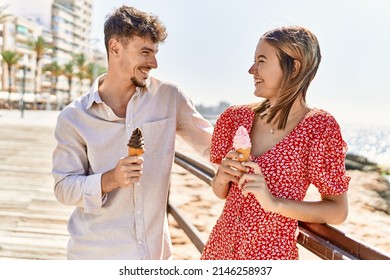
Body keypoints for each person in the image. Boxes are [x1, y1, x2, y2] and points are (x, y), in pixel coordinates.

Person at [52, 6, 212, 260]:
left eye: (155, 53)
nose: (154, 63)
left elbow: (213, 145)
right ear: (115, 47)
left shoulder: (170, 98)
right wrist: (110, 179)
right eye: (145, 52)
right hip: (95, 257)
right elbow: (64, 188)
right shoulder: (74, 117)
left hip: (153, 256)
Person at [201, 26, 350, 260]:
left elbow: (338, 210)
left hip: (270, 257)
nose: (251, 70)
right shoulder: (235, 118)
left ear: (294, 67)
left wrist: (274, 203)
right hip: (220, 250)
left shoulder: (319, 128)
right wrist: (220, 177)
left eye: (261, 60)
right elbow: (222, 193)